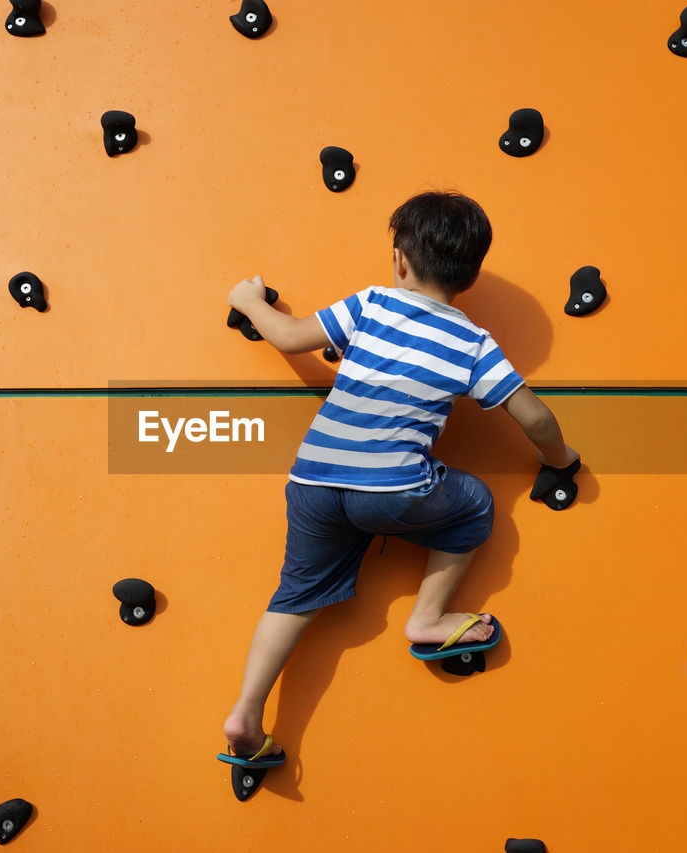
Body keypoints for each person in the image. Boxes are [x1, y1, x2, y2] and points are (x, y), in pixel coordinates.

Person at [220, 191, 578, 766]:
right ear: (471, 274)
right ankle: (429, 618)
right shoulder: (472, 343)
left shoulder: (371, 306)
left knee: (294, 596)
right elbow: (532, 414)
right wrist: (562, 460)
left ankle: (245, 711)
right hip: (392, 491)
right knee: (475, 504)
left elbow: (287, 337)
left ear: (400, 261)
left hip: (313, 481)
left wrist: (248, 300)